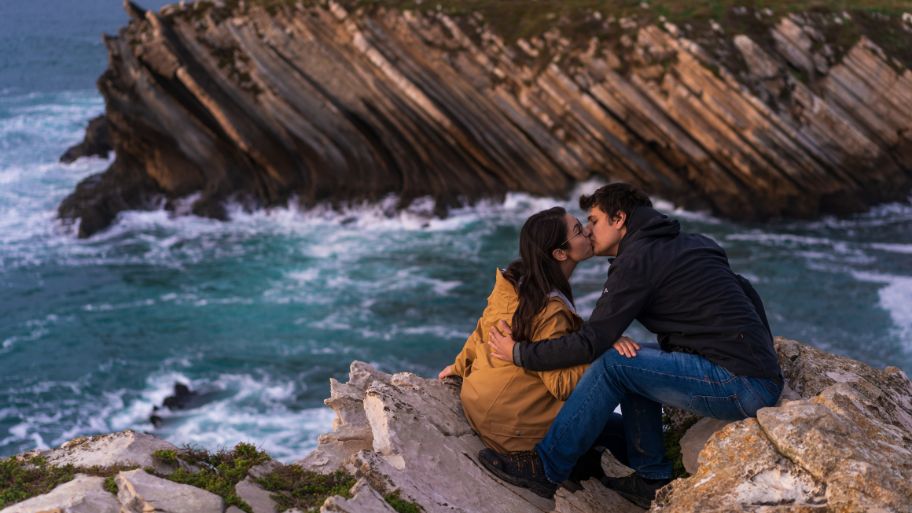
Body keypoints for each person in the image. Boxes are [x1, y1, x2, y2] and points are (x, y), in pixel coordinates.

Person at [482, 183, 784, 507]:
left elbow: (591, 342)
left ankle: (546, 468)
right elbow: (745, 289)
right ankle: (651, 477)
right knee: (630, 355)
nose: (588, 230)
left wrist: (520, 354)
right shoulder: (693, 243)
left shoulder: (637, 260)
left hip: (737, 383)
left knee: (614, 364)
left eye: (594, 220)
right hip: (754, 375)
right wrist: (765, 357)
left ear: (619, 219)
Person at [439, 207, 639, 463]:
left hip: (478, 404)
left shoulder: (513, 283)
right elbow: (561, 385)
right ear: (559, 253)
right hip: (512, 431)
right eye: (578, 231)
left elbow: (482, 330)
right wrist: (601, 345)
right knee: (622, 425)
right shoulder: (550, 312)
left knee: (613, 428)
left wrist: (457, 368)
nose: (588, 231)